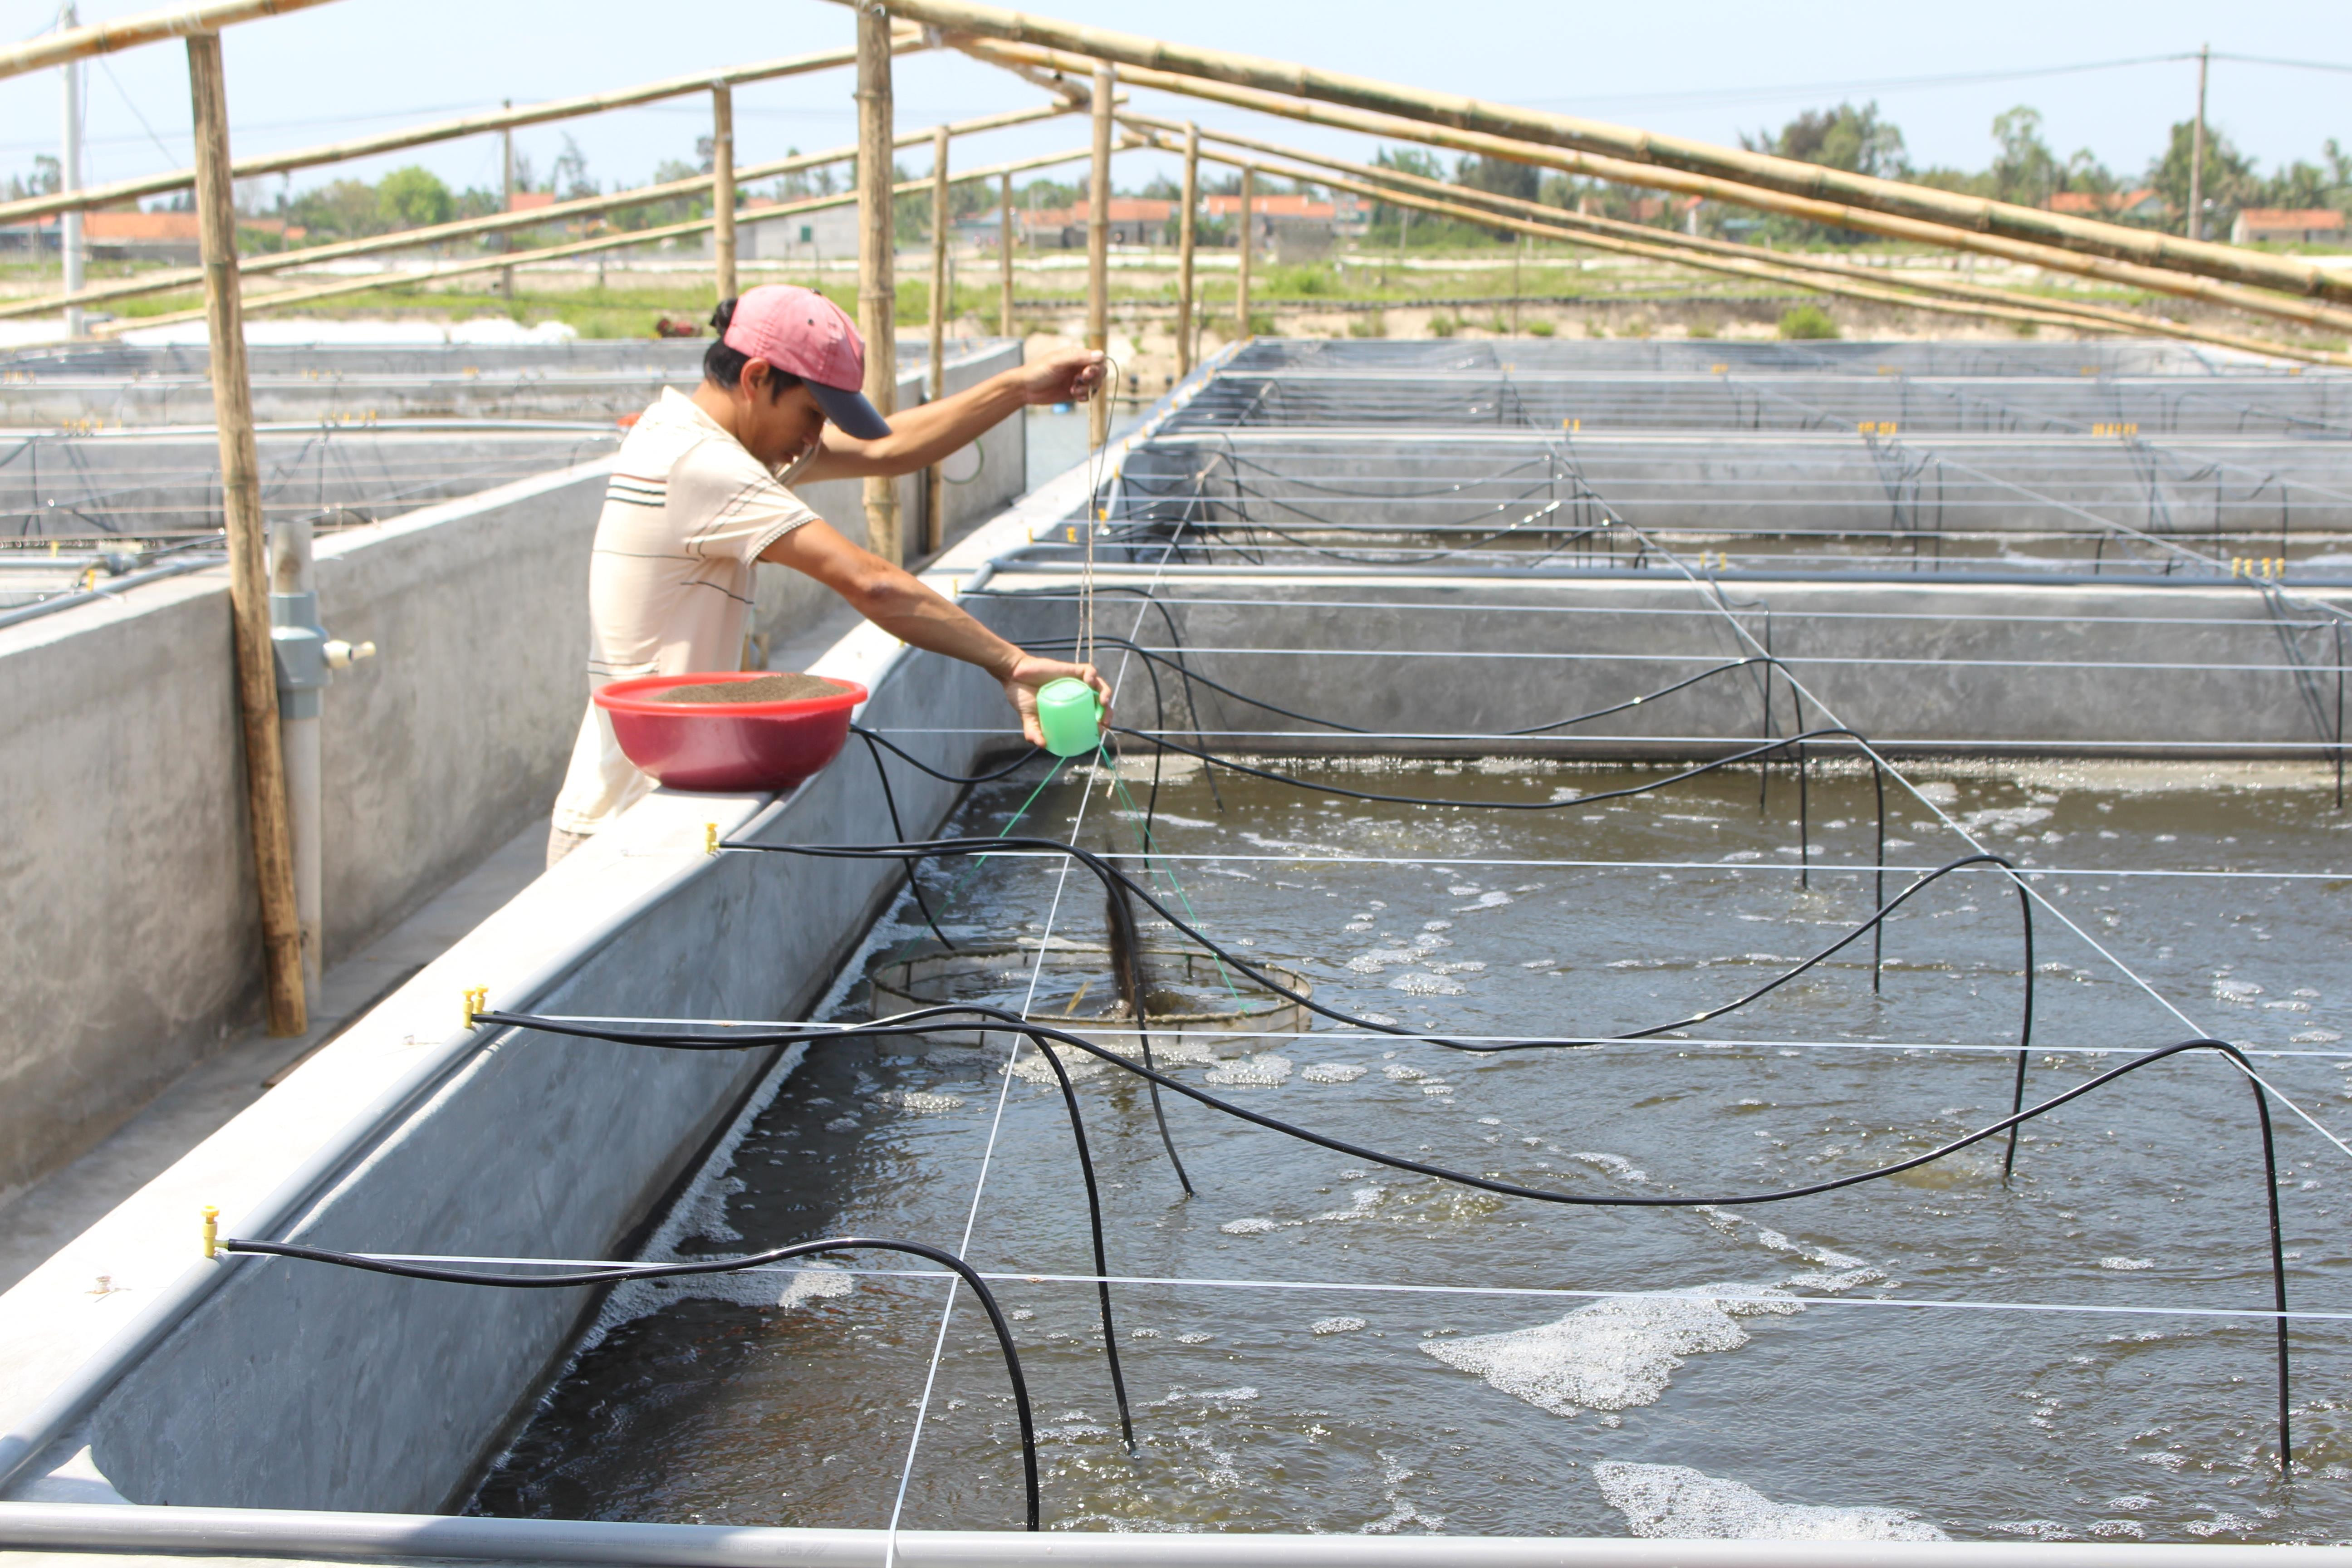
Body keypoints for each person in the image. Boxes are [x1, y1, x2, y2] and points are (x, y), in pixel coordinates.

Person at [546, 284, 1111, 867]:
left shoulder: (692, 436)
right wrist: (1012, 663)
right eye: (812, 415)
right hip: (622, 829)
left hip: (649, 800)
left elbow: (884, 452)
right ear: (757, 379)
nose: (814, 439)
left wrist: (1016, 387)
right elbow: (871, 583)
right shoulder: (703, 466)